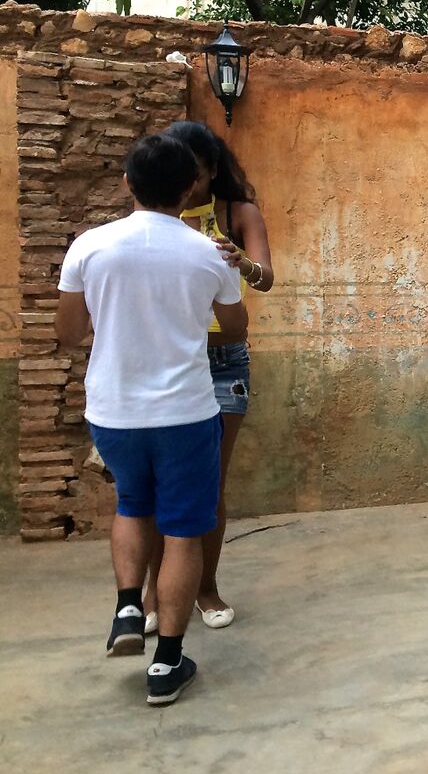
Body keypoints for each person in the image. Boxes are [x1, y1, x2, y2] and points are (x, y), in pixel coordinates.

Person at [55, 133, 247, 705]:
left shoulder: (89, 247)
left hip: (113, 411)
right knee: (185, 529)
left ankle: (127, 606)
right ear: (190, 187)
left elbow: (67, 332)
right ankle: (166, 663)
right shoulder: (208, 252)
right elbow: (234, 330)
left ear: (127, 183)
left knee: (133, 504)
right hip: (185, 412)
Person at [142, 121, 274, 632]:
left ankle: (206, 588)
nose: (185, 187)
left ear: (212, 171)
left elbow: (266, 278)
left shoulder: (238, 213)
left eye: (193, 176)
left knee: (209, 484)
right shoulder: (156, 216)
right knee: (160, 485)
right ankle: (156, 593)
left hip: (223, 363)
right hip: (170, 359)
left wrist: (240, 262)